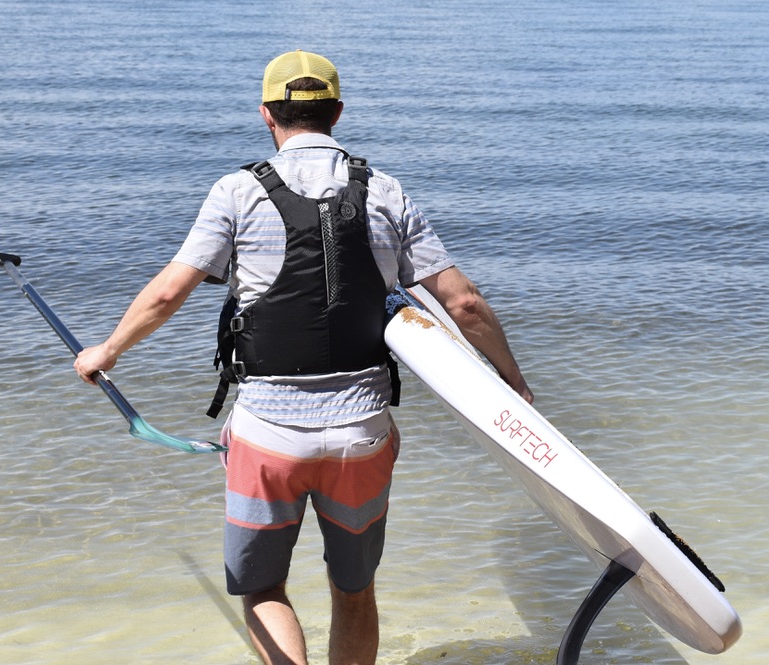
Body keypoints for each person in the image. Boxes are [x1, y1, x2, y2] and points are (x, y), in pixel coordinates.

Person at [74, 49, 533, 665]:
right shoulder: (385, 192)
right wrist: (514, 384)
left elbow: (166, 293)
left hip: (268, 436)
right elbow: (465, 304)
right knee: (355, 590)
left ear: (267, 115)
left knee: (263, 585)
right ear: (338, 112)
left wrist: (104, 352)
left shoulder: (237, 191)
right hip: (362, 435)